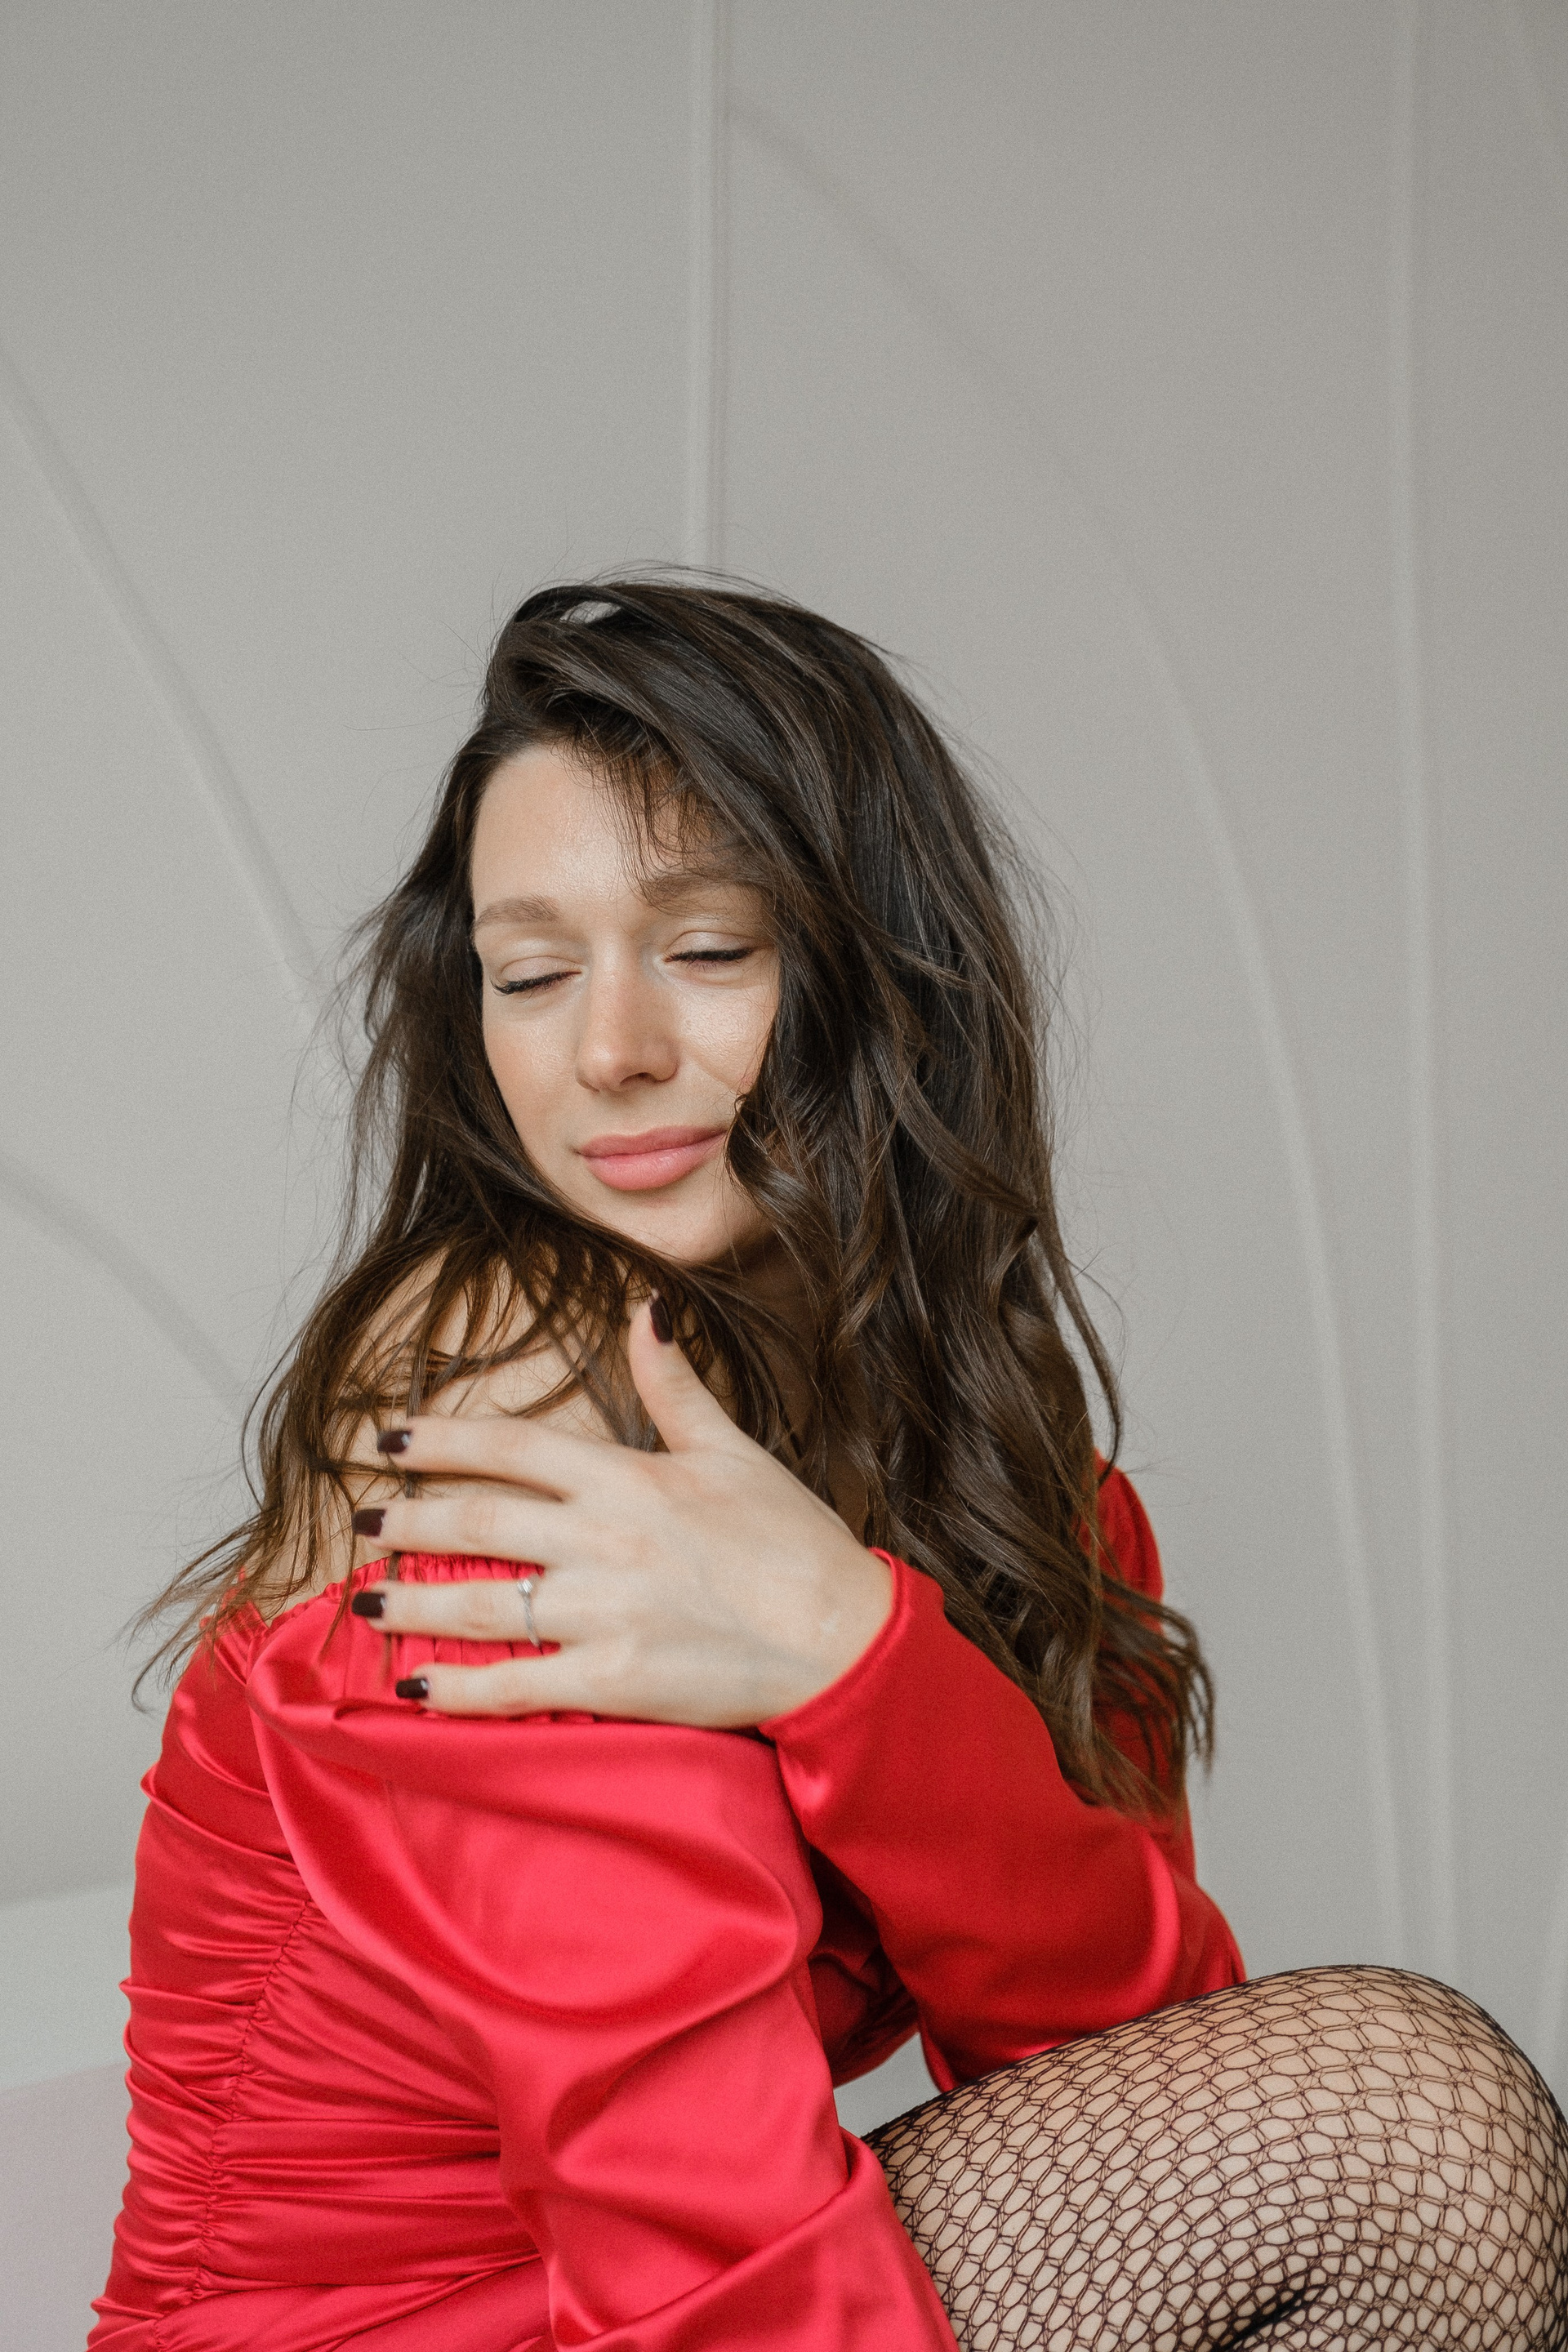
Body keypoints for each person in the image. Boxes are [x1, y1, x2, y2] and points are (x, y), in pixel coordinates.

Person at [93, 581, 1568, 2350]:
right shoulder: (512, 1400)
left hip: (701, 2289)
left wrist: (857, 1655)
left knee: (1377, 2128)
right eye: (532, 975)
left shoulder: (1001, 1459)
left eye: (710, 950)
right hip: (440, 2326)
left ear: (887, 971)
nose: (610, 1052)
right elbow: (686, 2216)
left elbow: (1150, 2075)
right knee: (1405, 2125)